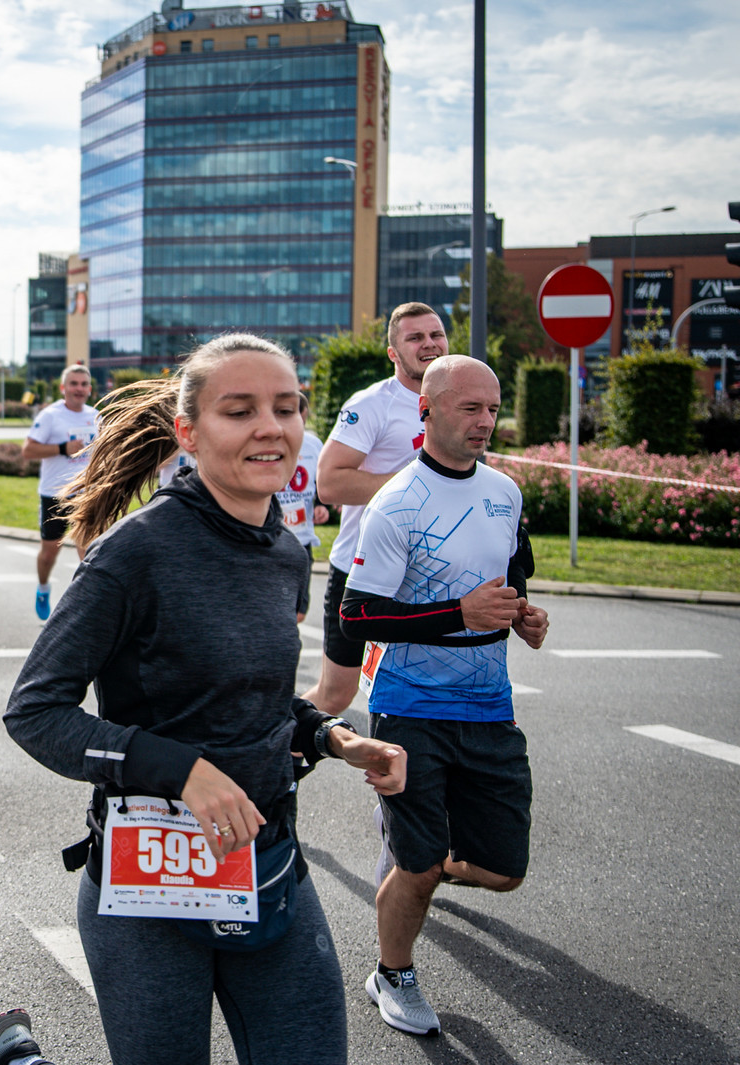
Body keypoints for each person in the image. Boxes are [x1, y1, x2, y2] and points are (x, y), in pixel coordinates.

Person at [3, 334, 406, 1065]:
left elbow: (252, 695)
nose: (271, 427)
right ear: (188, 433)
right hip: (148, 880)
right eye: (240, 410)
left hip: (268, 863)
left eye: (287, 407)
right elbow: (33, 712)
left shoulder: (286, 552)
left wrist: (328, 736)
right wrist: (180, 770)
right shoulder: (134, 552)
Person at [339, 355, 548, 1038]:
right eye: (470, 407)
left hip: (488, 705)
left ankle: (419, 860)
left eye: (493, 409)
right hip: (411, 706)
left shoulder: (505, 491)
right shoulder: (396, 503)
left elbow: (510, 573)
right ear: (427, 411)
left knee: (504, 871)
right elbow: (357, 617)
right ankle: (392, 972)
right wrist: (460, 613)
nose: (486, 421)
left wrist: (523, 614)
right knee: (420, 865)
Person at [305, 301, 446, 716]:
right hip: (361, 571)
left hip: (429, 572)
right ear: (393, 353)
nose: (429, 344)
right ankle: (272, 746)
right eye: (415, 338)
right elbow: (329, 483)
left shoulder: (458, 401)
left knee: (423, 690)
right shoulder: (371, 405)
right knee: (336, 695)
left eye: (436, 334)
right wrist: (410, 486)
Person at [19, 364, 99, 621]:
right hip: (55, 494)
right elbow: (28, 451)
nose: (79, 389)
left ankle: (88, 604)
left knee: (88, 550)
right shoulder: (50, 416)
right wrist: (62, 448)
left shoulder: (96, 416)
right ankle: (43, 588)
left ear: (89, 389)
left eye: (83, 384)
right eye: (73, 384)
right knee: (49, 553)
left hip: (86, 493)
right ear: (63, 388)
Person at [278, 393, 328, 622]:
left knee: (299, 611)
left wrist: (321, 505)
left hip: (302, 537)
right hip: (272, 536)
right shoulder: (270, 441)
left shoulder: (313, 444)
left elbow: (321, 481)